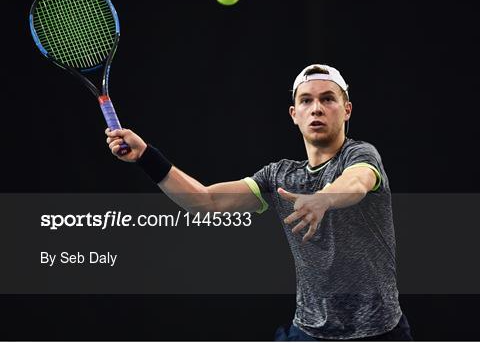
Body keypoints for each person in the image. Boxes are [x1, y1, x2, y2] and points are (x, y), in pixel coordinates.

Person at [105, 64, 412, 341]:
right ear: (294, 114)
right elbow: (205, 201)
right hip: (308, 332)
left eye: (328, 99)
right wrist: (147, 157)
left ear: (346, 110)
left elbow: (357, 182)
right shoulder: (279, 175)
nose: (316, 108)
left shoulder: (361, 155)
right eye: (306, 100)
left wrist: (322, 199)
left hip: (379, 332)